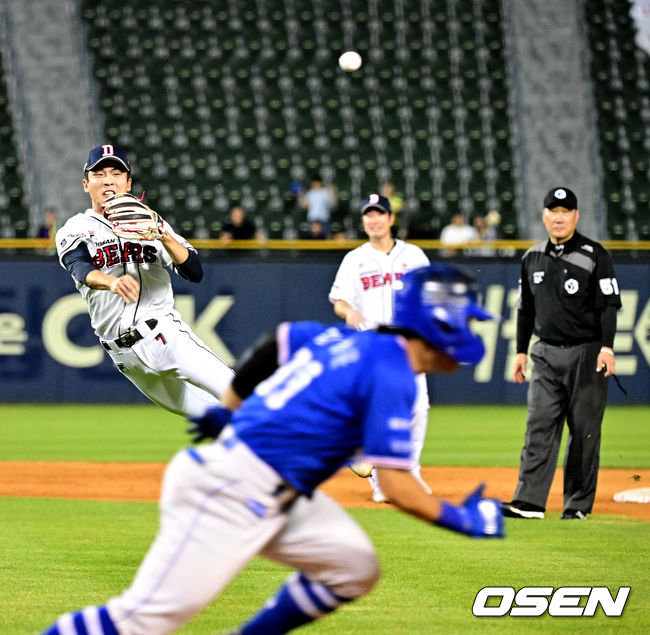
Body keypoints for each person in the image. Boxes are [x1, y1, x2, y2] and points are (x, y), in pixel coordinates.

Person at [41, 264, 504, 635]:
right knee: (141, 620)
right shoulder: (393, 375)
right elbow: (398, 487)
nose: (468, 329)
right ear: (435, 321)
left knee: (354, 566)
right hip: (229, 488)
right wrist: (464, 519)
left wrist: (231, 406)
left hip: (276, 490)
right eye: (463, 318)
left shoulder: (350, 341)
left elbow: (280, 340)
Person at [55, 144, 234, 418]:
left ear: (128, 182)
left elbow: (194, 271)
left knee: (236, 393)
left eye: (116, 173)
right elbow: (80, 268)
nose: (107, 180)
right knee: (213, 418)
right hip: (124, 357)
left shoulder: (152, 222)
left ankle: (305, 448)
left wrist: (164, 234)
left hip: (165, 336)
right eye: (99, 174)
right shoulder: (76, 228)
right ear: (86, 184)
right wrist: (111, 283)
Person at [502, 187, 621, 521]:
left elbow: (609, 307)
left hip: (586, 352)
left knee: (583, 430)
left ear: (576, 216)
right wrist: (521, 351)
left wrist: (607, 348)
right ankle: (529, 502)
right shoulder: (532, 258)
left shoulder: (594, 254)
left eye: (565, 210)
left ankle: (577, 506)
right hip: (545, 352)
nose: (558, 217)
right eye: (552, 210)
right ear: (543, 216)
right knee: (538, 425)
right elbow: (525, 310)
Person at [328, 193, 431, 502]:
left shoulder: (413, 256)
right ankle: (382, 483)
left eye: (379, 214)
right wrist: (349, 311)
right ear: (363, 221)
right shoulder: (354, 259)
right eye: (368, 215)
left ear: (390, 219)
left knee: (417, 409)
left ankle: (407, 474)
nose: (373, 219)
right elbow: (339, 300)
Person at [298, 173, 337, 238]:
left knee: (325, 238)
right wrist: (300, 196)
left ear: (320, 182)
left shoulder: (326, 192)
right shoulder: (310, 193)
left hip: (323, 219)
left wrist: (334, 193)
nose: (315, 184)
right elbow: (305, 206)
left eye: (317, 182)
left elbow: (333, 205)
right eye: (314, 182)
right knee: (311, 239)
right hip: (312, 219)